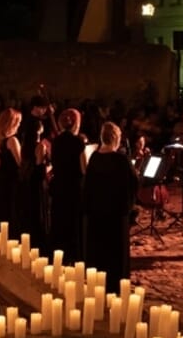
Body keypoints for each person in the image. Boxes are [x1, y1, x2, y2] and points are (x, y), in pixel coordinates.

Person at [82, 122, 139, 286]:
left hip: (96, 212)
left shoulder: (94, 157)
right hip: (115, 212)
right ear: (116, 138)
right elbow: (133, 183)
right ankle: (116, 282)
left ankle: (98, 281)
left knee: (99, 248)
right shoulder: (120, 159)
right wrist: (129, 205)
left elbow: (88, 185)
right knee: (116, 250)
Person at [49, 108, 87, 259]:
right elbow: (83, 168)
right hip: (73, 186)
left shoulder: (56, 140)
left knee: (60, 219)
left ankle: (59, 252)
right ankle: (73, 253)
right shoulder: (78, 142)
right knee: (72, 221)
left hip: (59, 184)